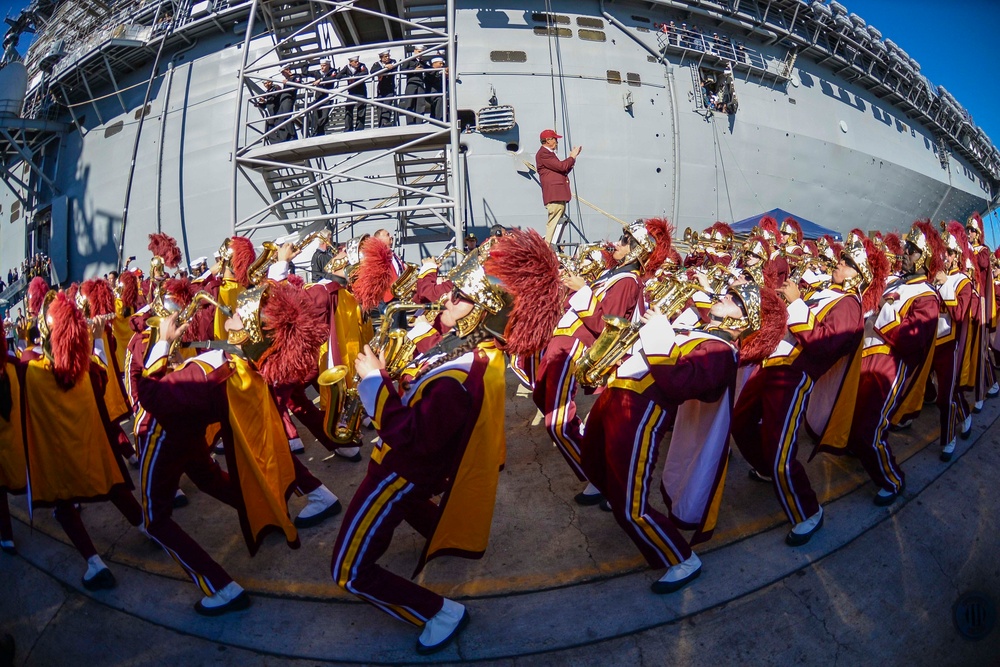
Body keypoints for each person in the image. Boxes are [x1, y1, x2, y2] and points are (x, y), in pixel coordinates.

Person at [331, 228, 563, 654]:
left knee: (346, 570)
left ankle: (439, 611)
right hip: (413, 472)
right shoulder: (475, 352)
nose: (446, 298)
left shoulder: (456, 378)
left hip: (398, 472)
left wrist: (373, 385)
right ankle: (445, 535)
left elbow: (411, 438)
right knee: (414, 508)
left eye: (459, 295)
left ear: (483, 312)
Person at [581, 279, 786, 593]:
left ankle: (682, 559)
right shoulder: (705, 334)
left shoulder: (722, 350)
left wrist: (660, 334)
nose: (725, 295)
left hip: (640, 411)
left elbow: (680, 382)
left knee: (630, 505)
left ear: (745, 320)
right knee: (595, 464)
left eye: (734, 298)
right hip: (618, 397)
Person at [732, 230, 883, 545]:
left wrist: (797, 304)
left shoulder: (850, 305)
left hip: (793, 375)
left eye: (846, 261)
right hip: (773, 363)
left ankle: (808, 511)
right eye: (841, 259)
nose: (837, 263)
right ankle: (766, 469)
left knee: (780, 449)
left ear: (859, 275)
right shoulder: (827, 290)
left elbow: (825, 345)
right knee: (740, 423)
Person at [535, 129, 581, 245]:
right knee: (553, 222)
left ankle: (550, 244)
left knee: (557, 221)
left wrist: (571, 160)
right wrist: (572, 157)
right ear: (548, 140)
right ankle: (547, 246)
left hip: (558, 195)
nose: (557, 142)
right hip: (554, 194)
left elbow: (562, 170)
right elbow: (562, 167)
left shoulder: (548, 154)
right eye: (555, 139)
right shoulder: (544, 154)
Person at [335, 55, 369, 132]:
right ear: (350, 63)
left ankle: (359, 128)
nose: (357, 63)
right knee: (348, 109)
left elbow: (365, 72)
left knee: (361, 110)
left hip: (361, 92)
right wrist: (347, 76)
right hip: (351, 92)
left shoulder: (362, 66)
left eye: (358, 61)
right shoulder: (347, 67)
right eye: (355, 62)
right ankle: (348, 128)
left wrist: (354, 76)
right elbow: (338, 76)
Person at [400, 44, 428, 124]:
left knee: (420, 103)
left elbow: (430, 69)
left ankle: (419, 121)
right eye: (419, 52)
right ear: (415, 51)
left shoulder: (422, 62)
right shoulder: (409, 60)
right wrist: (413, 70)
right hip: (411, 83)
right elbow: (402, 70)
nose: (420, 54)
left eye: (422, 52)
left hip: (421, 84)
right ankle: (410, 122)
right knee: (409, 102)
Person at [310, 58, 337, 136]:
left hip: (327, 97)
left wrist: (321, 80)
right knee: (315, 115)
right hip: (318, 97)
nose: (322, 67)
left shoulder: (332, 71)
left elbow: (333, 78)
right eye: (321, 66)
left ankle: (318, 128)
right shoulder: (317, 73)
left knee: (324, 117)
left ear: (328, 65)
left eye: (324, 66)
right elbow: (305, 73)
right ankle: (317, 133)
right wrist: (307, 62)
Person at [371, 50, 398, 127]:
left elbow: (394, 68)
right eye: (385, 56)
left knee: (387, 105)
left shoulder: (393, 61)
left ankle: (385, 123)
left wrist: (387, 68)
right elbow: (372, 71)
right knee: (379, 107)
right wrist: (384, 67)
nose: (388, 58)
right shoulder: (377, 64)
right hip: (381, 89)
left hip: (389, 87)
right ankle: (380, 124)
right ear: (381, 57)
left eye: (388, 56)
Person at [425, 56, 448, 121]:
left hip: (439, 92)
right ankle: (439, 119)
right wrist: (442, 73)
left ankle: (434, 119)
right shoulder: (430, 71)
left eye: (442, 64)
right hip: (432, 93)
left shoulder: (440, 72)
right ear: (434, 64)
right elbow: (433, 77)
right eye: (440, 63)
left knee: (436, 105)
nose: (442, 65)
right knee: (439, 100)